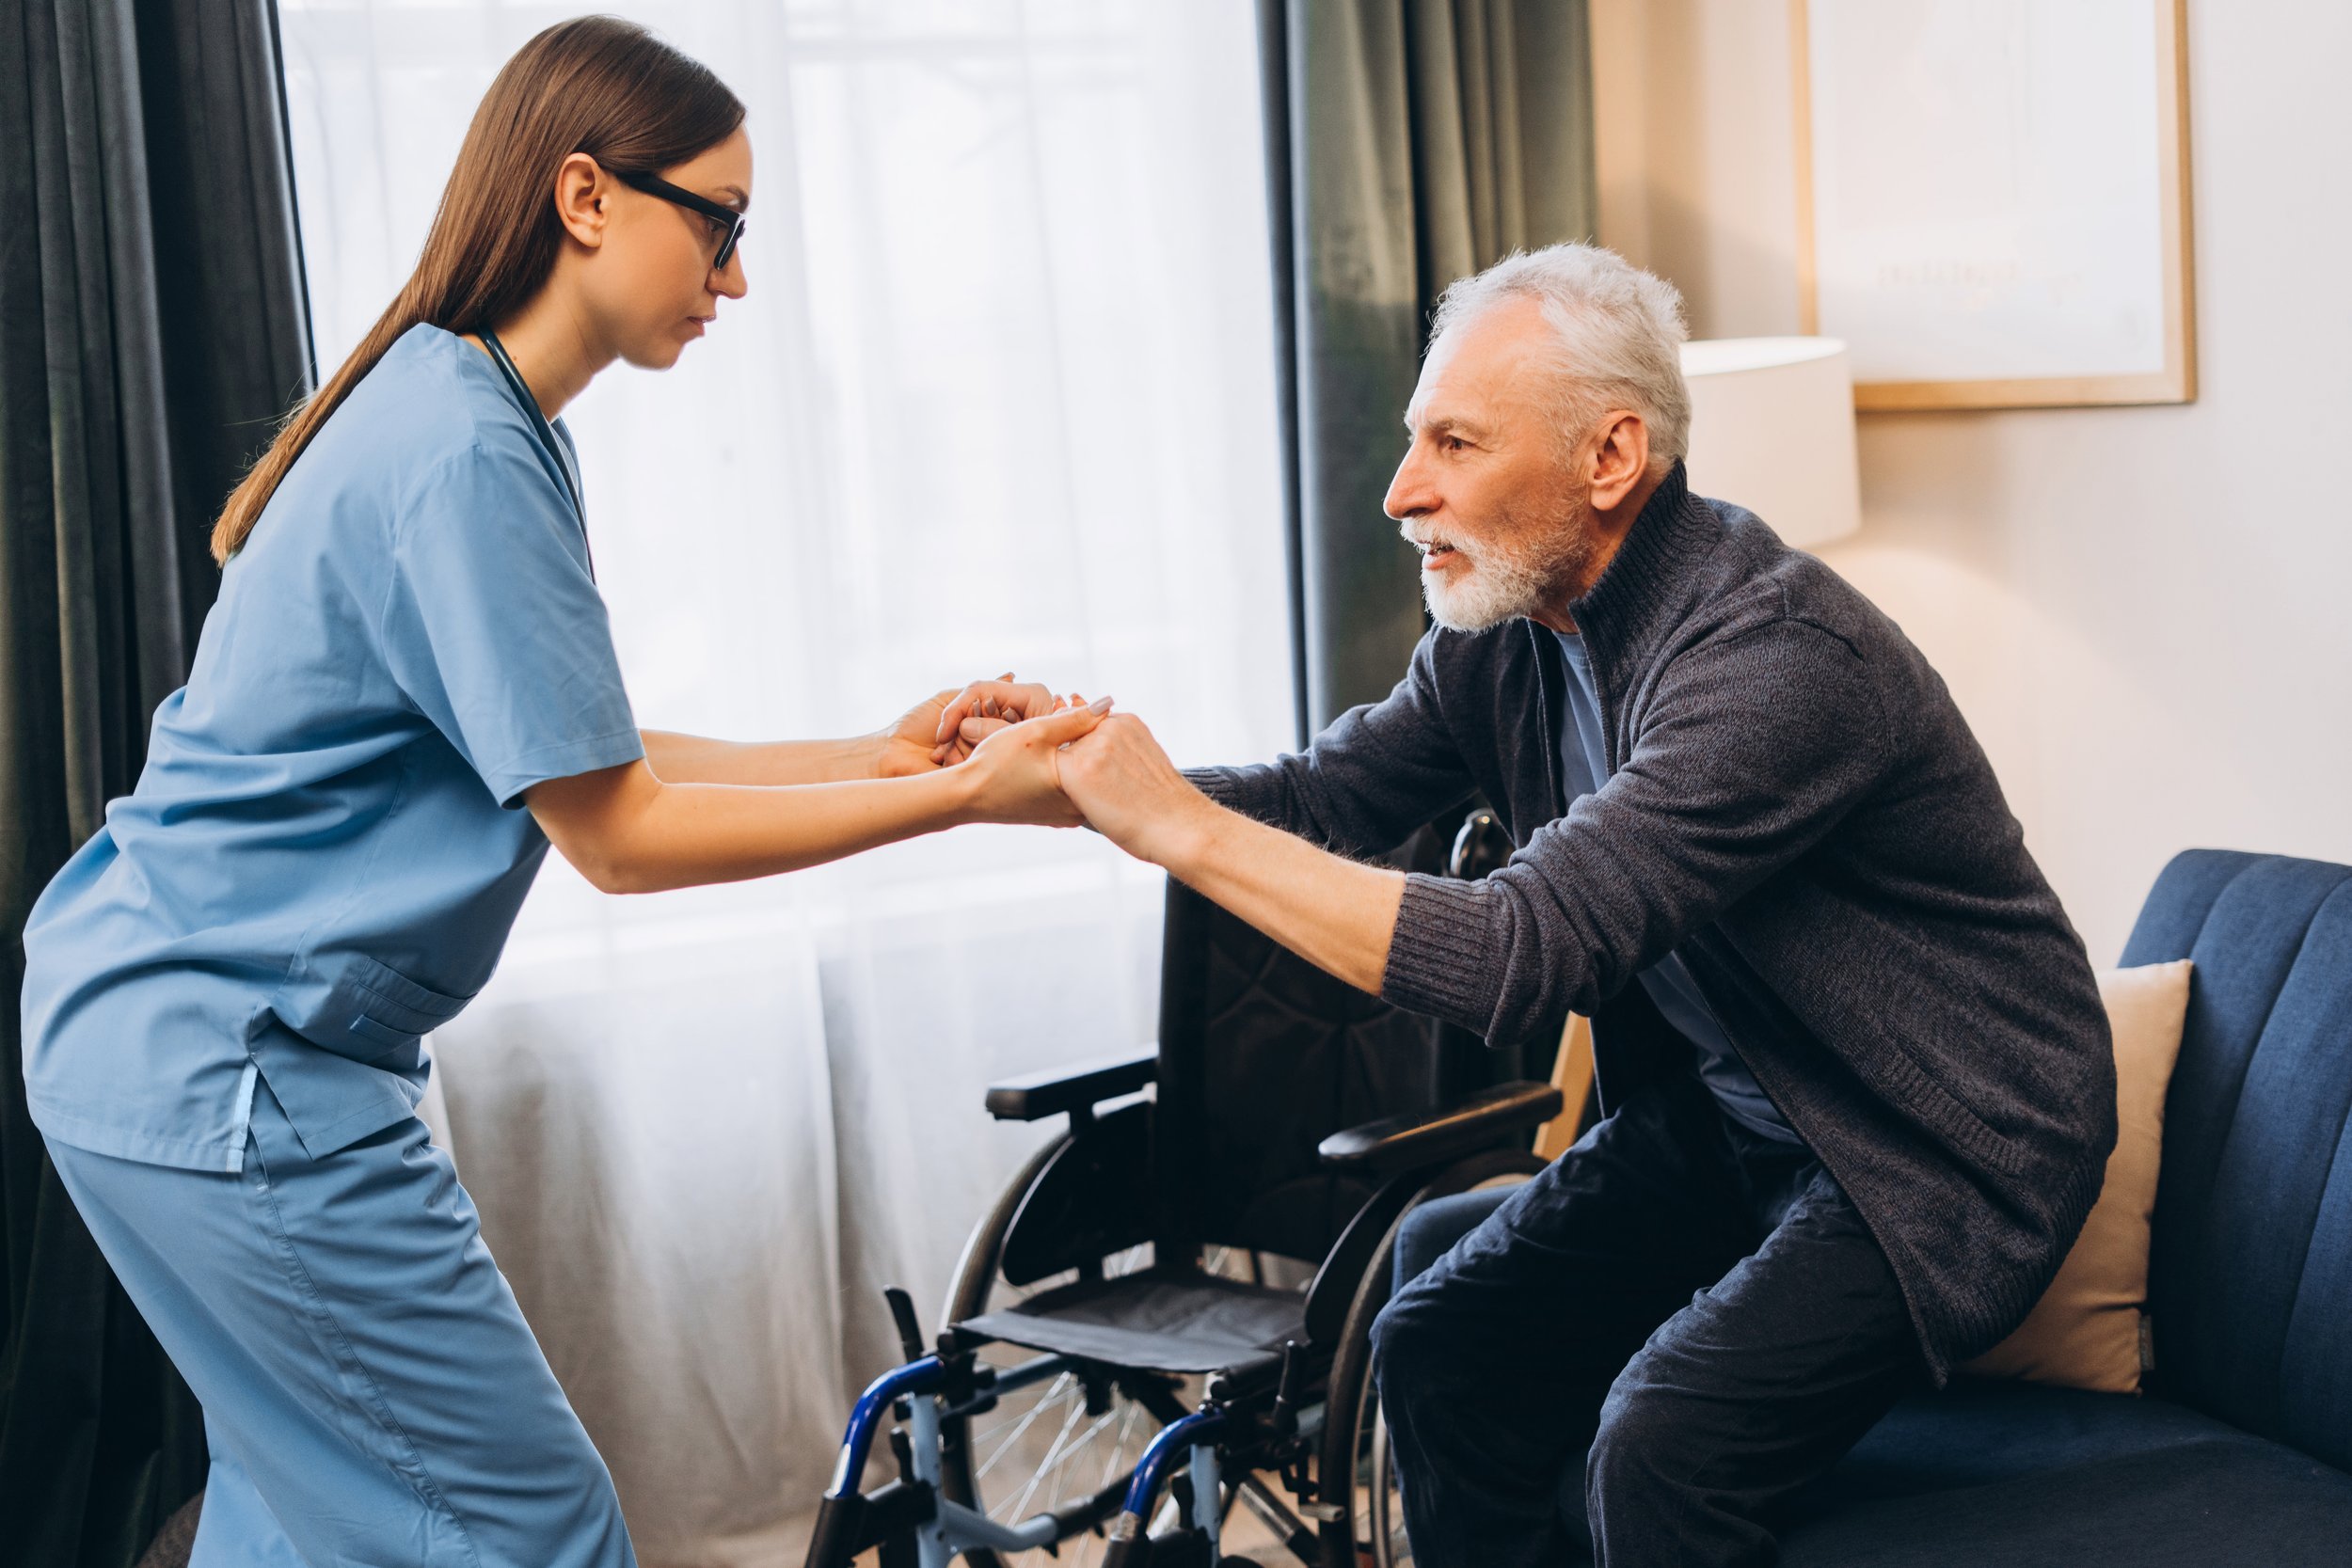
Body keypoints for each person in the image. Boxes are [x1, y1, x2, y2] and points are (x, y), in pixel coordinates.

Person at [17, 19, 1080, 1568]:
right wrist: (966, 802)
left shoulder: (458, 410)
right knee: (532, 1527)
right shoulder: (461, 445)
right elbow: (623, 840)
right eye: (719, 225)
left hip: (144, 1043)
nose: (732, 279)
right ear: (586, 195)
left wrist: (888, 748)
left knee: (304, 1514)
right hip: (229, 1070)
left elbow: (585, 751)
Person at [950, 244, 2117, 1567]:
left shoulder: (1778, 662)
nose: (1403, 493)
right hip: (1743, 1113)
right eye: (1413, 440)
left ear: (1610, 458)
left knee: (1663, 1444)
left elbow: (1519, 953)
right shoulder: (1505, 635)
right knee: (1437, 1342)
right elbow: (1327, 794)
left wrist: (1176, 824)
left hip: (1935, 1153)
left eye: (1454, 442)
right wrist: (1059, 783)